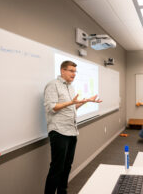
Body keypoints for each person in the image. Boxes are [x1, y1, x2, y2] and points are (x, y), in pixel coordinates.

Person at [44, 60, 102, 194]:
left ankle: (62, 192)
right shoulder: (53, 85)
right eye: (71, 71)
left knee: (67, 166)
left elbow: (71, 107)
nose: (74, 74)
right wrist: (71, 102)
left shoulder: (70, 87)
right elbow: (52, 107)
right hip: (59, 131)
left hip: (72, 131)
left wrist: (85, 101)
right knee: (57, 168)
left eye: (75, 71)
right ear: (62, 71)